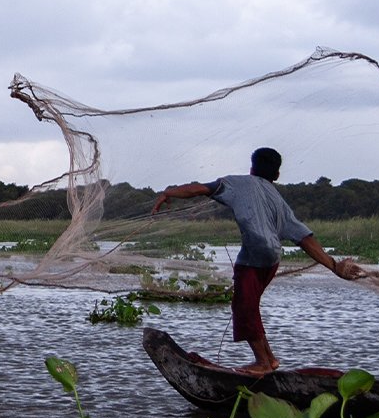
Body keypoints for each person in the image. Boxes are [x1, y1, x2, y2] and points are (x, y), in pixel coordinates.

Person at [151, 147, 360, 374]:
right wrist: (333, 266)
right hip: (271, 259)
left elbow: (198, 189)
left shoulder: (237, 184)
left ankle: (262, 362)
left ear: (251, 168)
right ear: (277, 175)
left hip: (254, 257)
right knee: (249, 307)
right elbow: (304, 238)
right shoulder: (278, 200)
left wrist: (169, 192)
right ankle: (269, 359)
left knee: (244, 308)